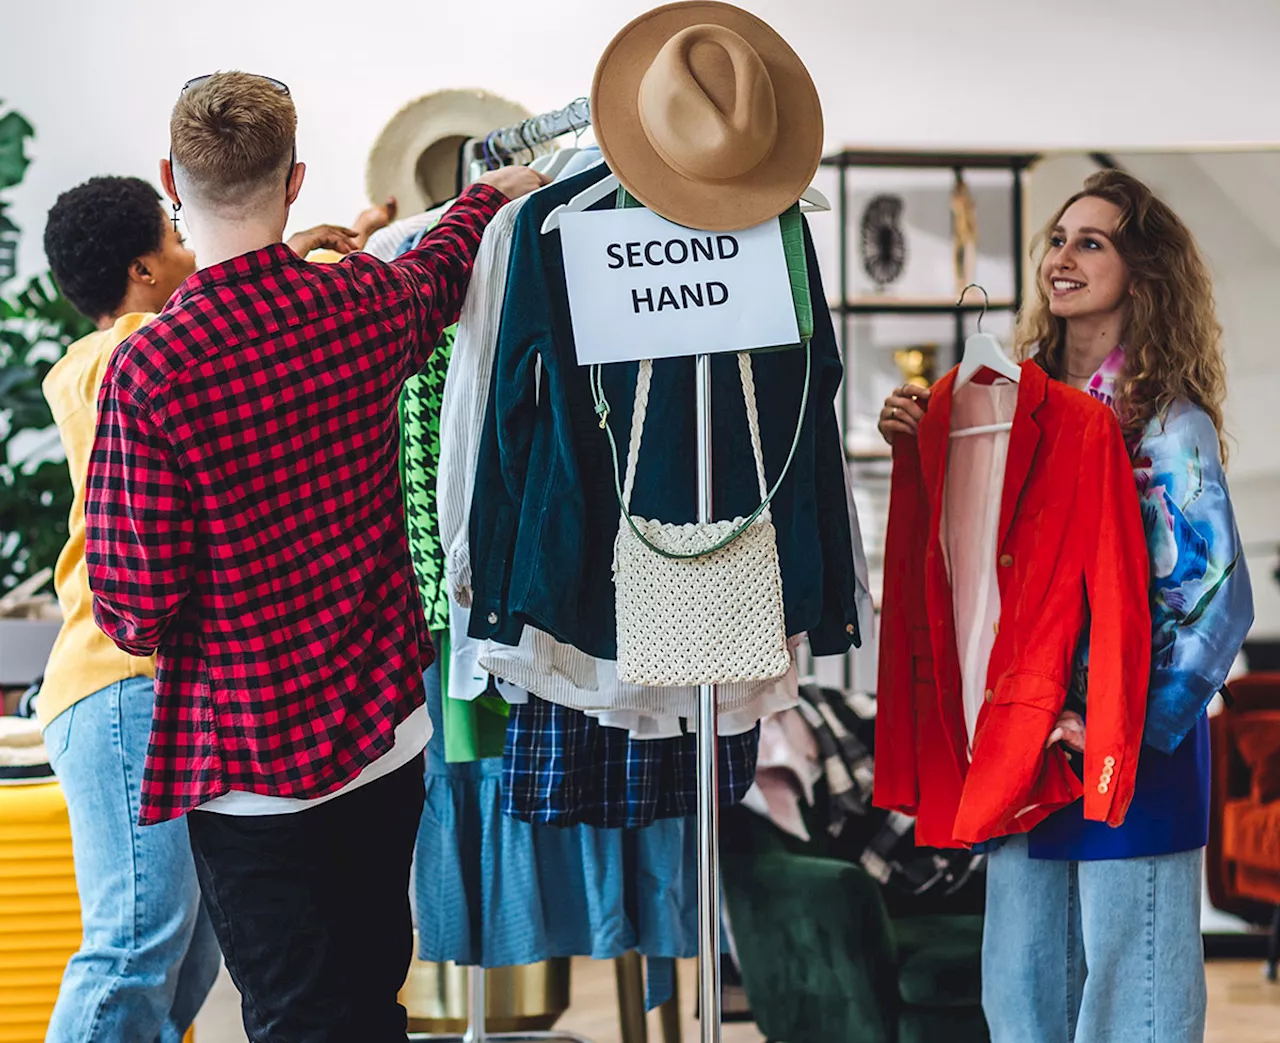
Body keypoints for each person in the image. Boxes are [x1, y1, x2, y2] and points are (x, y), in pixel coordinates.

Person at [80, 71, 543, 1043]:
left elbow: (132, 610)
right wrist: (481, 200)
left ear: (172, 178)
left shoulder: (152, 368)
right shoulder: (362, 305)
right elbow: (438, 275)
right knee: (374, 995)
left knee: (292, 1012)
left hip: (246, 756)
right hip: (380, 728)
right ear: (295, 182)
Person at [878, 168, 1253, 1042]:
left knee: (1137, 1004)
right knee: (1023, 1000)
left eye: (1093, 242)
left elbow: (1217, 601)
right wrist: (922, 445)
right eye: (1057, 238)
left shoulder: (1166, 423)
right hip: (1026, 742)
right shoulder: (1010, 409)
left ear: (1143, 271)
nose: (1064, 256)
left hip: (1131, 751)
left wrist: (1123, 726)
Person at [38, 173, 395, 1043]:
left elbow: (236, 319)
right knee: (130, 949)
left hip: (141, 692)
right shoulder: (108, 362)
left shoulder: (142, 341)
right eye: (173, 230)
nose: (190, 240)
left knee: (188, 955)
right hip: (119, 688)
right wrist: (292, 258)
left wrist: (315, 246)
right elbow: (219, 330)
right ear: (144, 271)